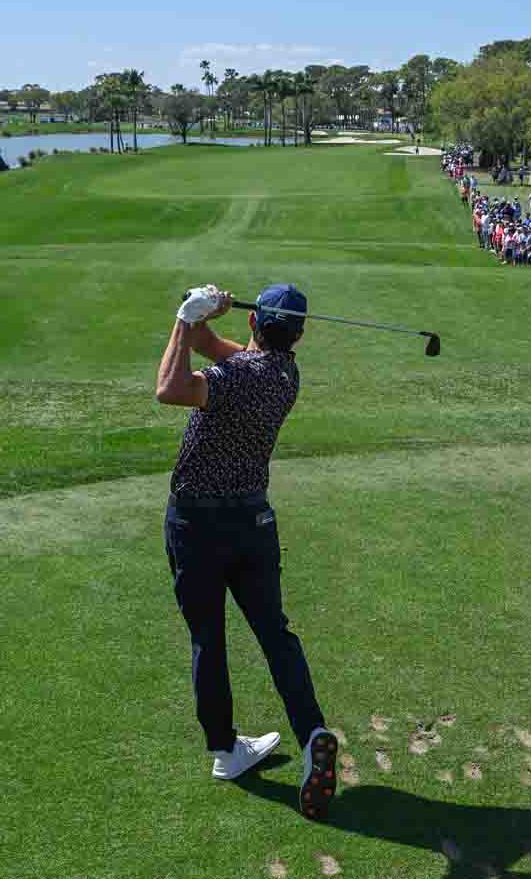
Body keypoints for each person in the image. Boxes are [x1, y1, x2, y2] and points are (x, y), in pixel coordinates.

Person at [154, 284, 339, 821]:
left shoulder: (235, 378)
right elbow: (222, 349)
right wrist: (205, 317)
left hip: (196, 524)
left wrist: (182, 319)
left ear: (257, 323)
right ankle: (312, 736)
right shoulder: (283, 376)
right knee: (276, 636)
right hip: (252, 523)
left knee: (208, 640)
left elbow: (170, 388)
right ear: (298, 335)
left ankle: (224, 751)